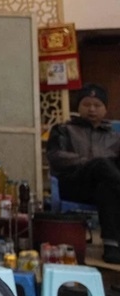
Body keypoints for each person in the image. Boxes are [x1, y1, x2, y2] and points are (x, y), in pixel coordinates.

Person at [46, 83, 120, 264]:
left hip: (105, 187)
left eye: (97, 105)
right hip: (74, 184)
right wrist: (90, 162)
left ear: (105, 109)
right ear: (78, 107)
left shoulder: (114, 136)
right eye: (87, 104)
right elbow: (56, 157)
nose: (92, 109)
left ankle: (112, 246)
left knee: (107, 186)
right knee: (102, 165)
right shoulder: (64, 129)